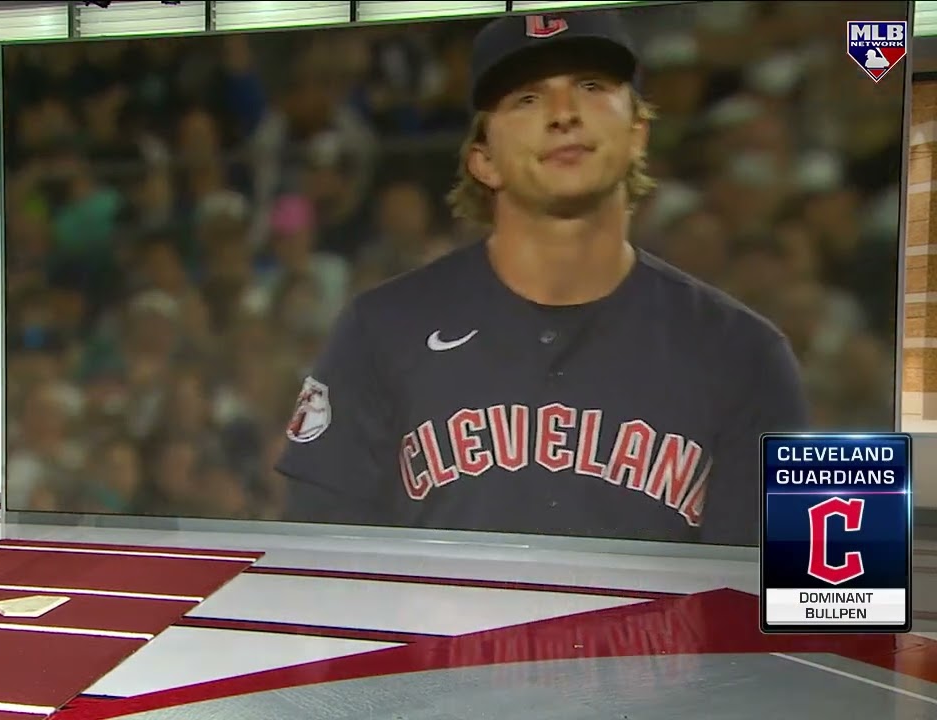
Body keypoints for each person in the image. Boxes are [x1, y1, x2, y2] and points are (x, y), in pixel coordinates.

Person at [275, 11, 808, 546]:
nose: (563, 114)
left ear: (637, 133)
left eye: (591, 86)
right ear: (483, 160)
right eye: (527, 98)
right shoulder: (380, 330)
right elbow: (318, 561)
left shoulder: (745, 354)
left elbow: (787, 580)